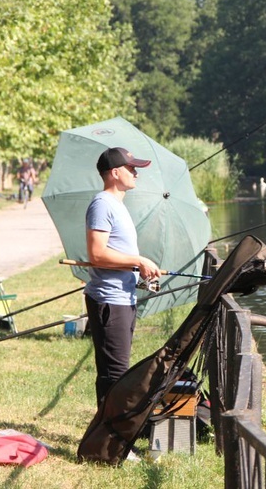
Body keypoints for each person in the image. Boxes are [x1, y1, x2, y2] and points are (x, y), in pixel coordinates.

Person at [84, 147, 162, 407]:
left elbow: (114, 253)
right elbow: (97, 254)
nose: (136, 173)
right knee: (113, 375)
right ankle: (108, 444)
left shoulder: (117, 205)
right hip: (109, 301)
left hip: (123, 298)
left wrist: (139, 268)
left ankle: (106, 440)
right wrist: (138, 260)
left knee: (117, 372)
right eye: (131, 168)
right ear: (115, 173)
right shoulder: (102, 204)